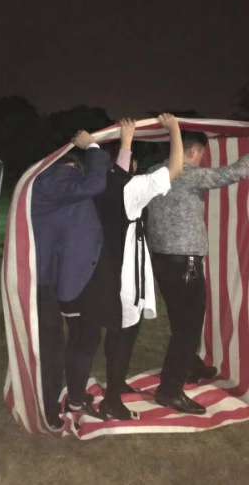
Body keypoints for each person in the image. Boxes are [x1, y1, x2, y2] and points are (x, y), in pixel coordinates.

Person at [61, 114, 183, 421]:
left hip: (97, 274)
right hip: (123, 277)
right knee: (122, 337)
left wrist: (113, 146)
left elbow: (113, 175)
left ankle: (91, 393)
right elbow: (175, 168)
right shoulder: (131, 188)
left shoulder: (95, 187)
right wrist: (174, 130)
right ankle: (112, 399)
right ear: (130, 164)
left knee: (98, 337)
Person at [147, 130, 249, 414]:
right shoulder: (187, 174)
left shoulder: (154, 172)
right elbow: (233, 173)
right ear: (193, 151)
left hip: (162, 260)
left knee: (180, 319)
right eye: (202, 153)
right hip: (185, 262)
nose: (203, 158)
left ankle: (190, 365)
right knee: (189, 326)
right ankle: (169, 390)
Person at [32, 130, 110, 427]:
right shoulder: (55, 178)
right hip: (47, 279)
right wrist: (93, 147)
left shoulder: (54, 183)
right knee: (51, 348)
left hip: (53, 276)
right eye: (76, 168)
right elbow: (94, 183)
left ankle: (65, 398)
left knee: (66, 341)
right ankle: (49, 410)